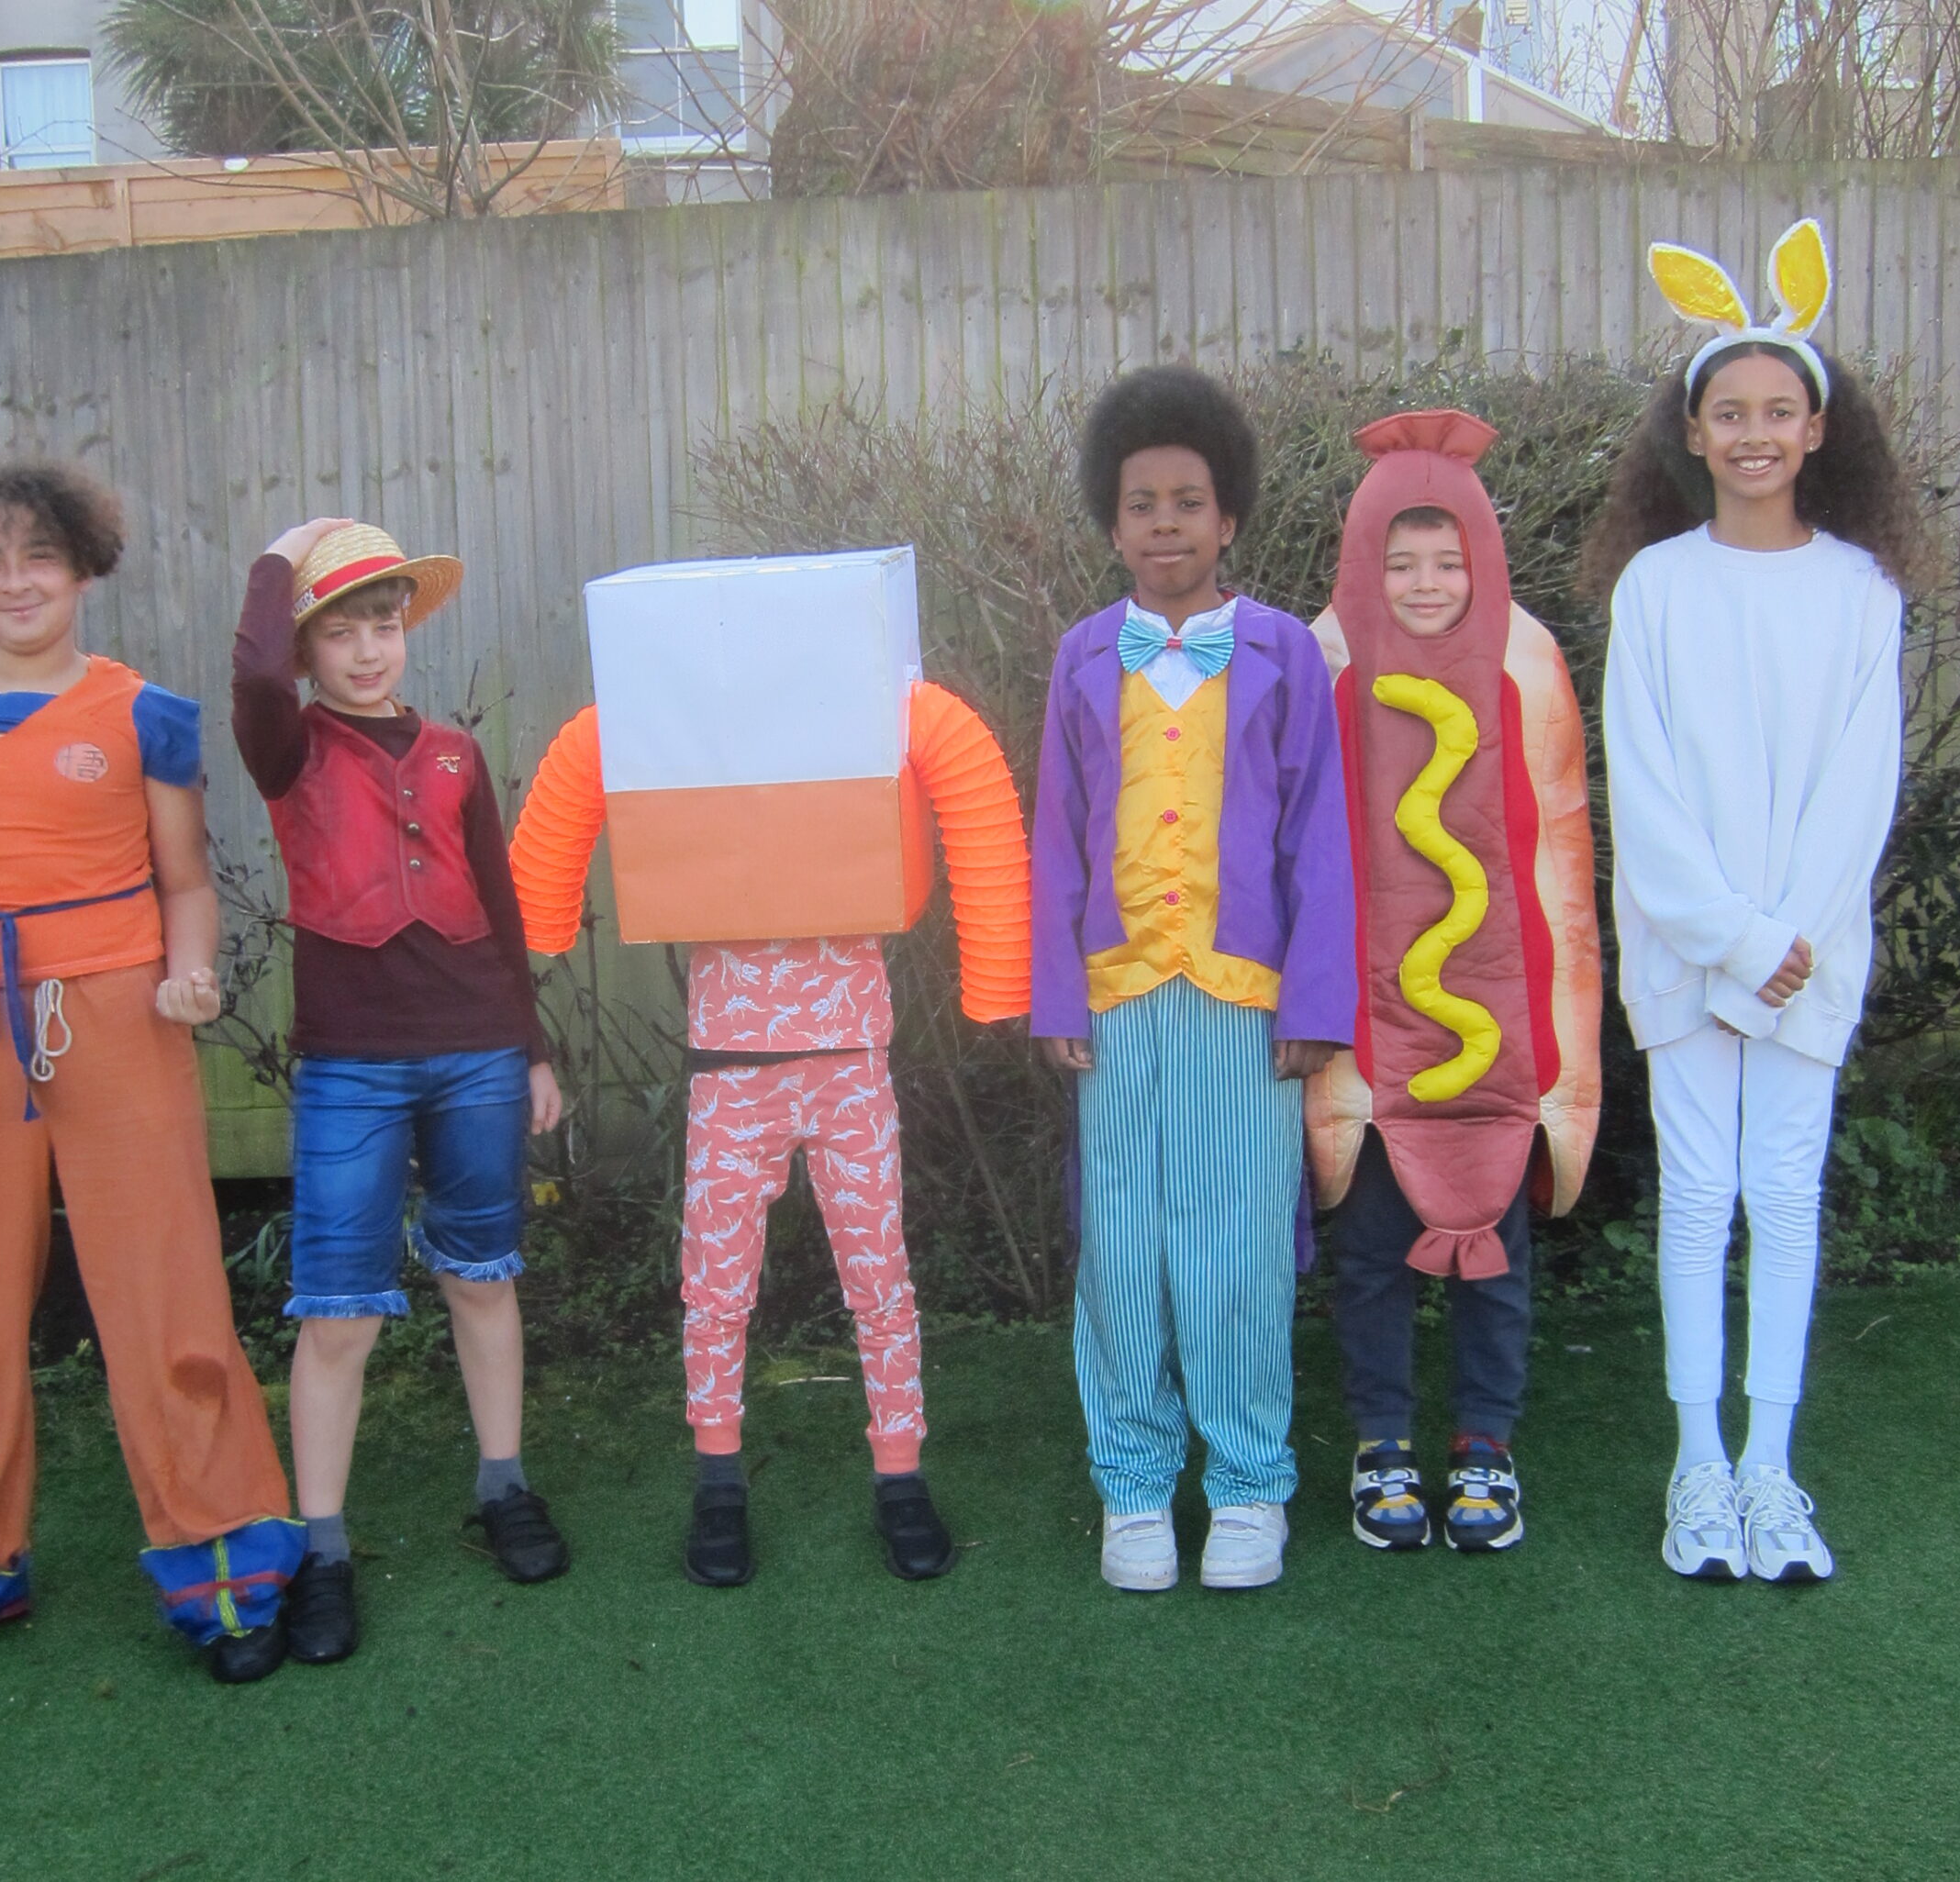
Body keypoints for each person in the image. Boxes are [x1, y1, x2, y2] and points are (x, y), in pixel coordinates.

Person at [0, 462, 302, 1684]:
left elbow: (185, 882)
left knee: (162, 1283)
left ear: (84, 568)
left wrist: (190, 974)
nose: (15, 581)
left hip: (115, 1011)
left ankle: (222, 1554)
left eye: (37, 555)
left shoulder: (142, 713)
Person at [508, 549, 1030, 1588]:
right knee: (714, 1282)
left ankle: (899, 1474)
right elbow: (581, 773)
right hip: (731, 1068)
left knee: (880, 1276)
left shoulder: (875, 715)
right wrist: (537, 924)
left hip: (848, 1061)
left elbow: (966, 786)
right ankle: (718, 1479)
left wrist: (996, 978)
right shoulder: (683, 735)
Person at [1587, 220, 1919, 1583]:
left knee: (1783, 1194)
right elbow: (1645, 783)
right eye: (1729, 413)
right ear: (1693, 432)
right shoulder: (1657, 587)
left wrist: (1785, 942)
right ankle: (1697, 1463)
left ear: (1817, 428)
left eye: (1778, 410)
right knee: (1696, 1194)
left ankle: (1769, 1464)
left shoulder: (1860, 592)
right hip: (1689, 957)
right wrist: (1730, 941)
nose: (1754, 433)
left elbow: (1860, 785)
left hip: (1808, 953)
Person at [1030, 365, 1354, 1593]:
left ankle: (1248, 1482)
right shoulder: (1081, 658)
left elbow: (1319, 837)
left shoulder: (1282, 653)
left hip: (1244, 1001)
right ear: (1112, 524)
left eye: (1187, 502)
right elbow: (1056, 838)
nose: (1164, 523)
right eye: (1141, 503)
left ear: (1228, 518)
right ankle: (1131, 1483)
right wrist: (1056, 992)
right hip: (1115, 1000)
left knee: (1239, 1251)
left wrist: (1315, 1001)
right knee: (1122, 1248)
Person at [232, 518, 568, 1665]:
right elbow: (252, 675)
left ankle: (503, 1483)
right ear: (308, 648)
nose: (369, 650)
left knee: (482, 1277)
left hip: (477, 1048)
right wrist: (280, 559)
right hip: (351, 1065)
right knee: (338, 1312)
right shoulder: (287, 746)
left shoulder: (457, 754)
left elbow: (502, 905)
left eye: (385, 626)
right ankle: (321, 1546)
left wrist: (530, 1048)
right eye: (341, 632)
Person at [1303, 411, 1602, 1555]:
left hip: (1506, 1028)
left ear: (1482, 556)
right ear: (1362, 559)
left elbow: (1560, 848)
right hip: (1371, 1035)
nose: (1426, 583)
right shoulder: (1323, 658)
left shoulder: (1526, 660)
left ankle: (1485, 1440)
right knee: (1371, 1252)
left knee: (1500, 1257)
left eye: (1448, 558)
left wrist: (1560, 1032)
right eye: (1400, 560)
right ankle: (1382, 1438)